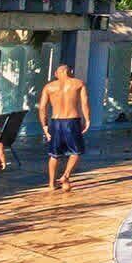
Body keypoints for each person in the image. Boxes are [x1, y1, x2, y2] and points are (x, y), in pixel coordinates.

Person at [38, 62, 91, 193]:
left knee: (54, 154)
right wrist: (87, 120)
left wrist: (44, 125)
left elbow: (42, 107)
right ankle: (65, 176)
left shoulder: (49, 87)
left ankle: (51, 184)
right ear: (70, 72)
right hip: (72, 121)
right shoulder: (78, 83)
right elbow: (84, 103)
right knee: (76, 152)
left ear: (57, 73)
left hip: (56, 122)